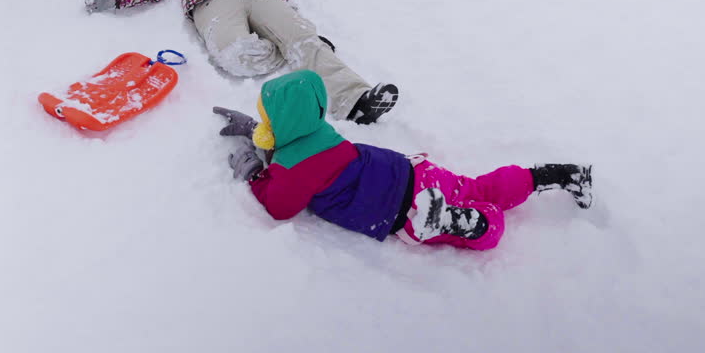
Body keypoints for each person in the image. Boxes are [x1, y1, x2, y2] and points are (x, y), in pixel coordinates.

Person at [213, 70, 592, 251]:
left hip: (400, 210)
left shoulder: (293, 169)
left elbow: (279, 205)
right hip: (413, 173)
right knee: (478, 188)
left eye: (266, 118)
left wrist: (253, 169)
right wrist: (259, 132)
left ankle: (456, 222)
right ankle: (552, 176)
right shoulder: (321, 132)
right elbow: (296, 137)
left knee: (490, 226)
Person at [85, 0, 398, 124]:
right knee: (238, 56)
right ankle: (295, 45)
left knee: (302, 38)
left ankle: (355, 101)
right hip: (214, 2)